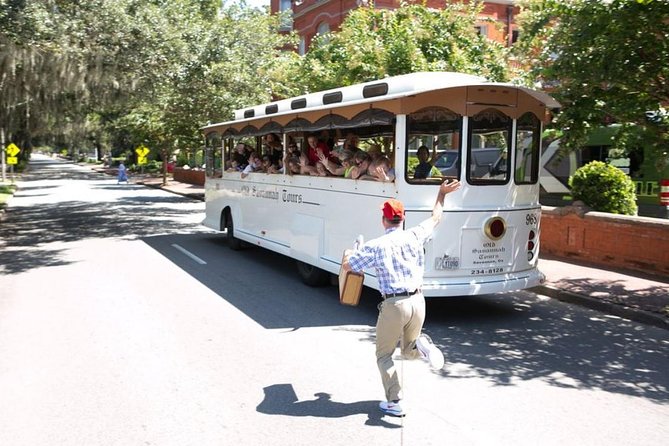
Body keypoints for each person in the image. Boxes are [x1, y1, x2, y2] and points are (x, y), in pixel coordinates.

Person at [342, 179, 462, 418]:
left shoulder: (375, 246)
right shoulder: (415, 235)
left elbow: (348, 266)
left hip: (394, 304)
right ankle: (423, 346)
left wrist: (354, 250)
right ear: (403, 218)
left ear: (383, 220)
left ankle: (394, 401)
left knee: (384, 354)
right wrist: (441, 193)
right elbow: (437, 217)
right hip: (418, 301)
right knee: (408, 351)